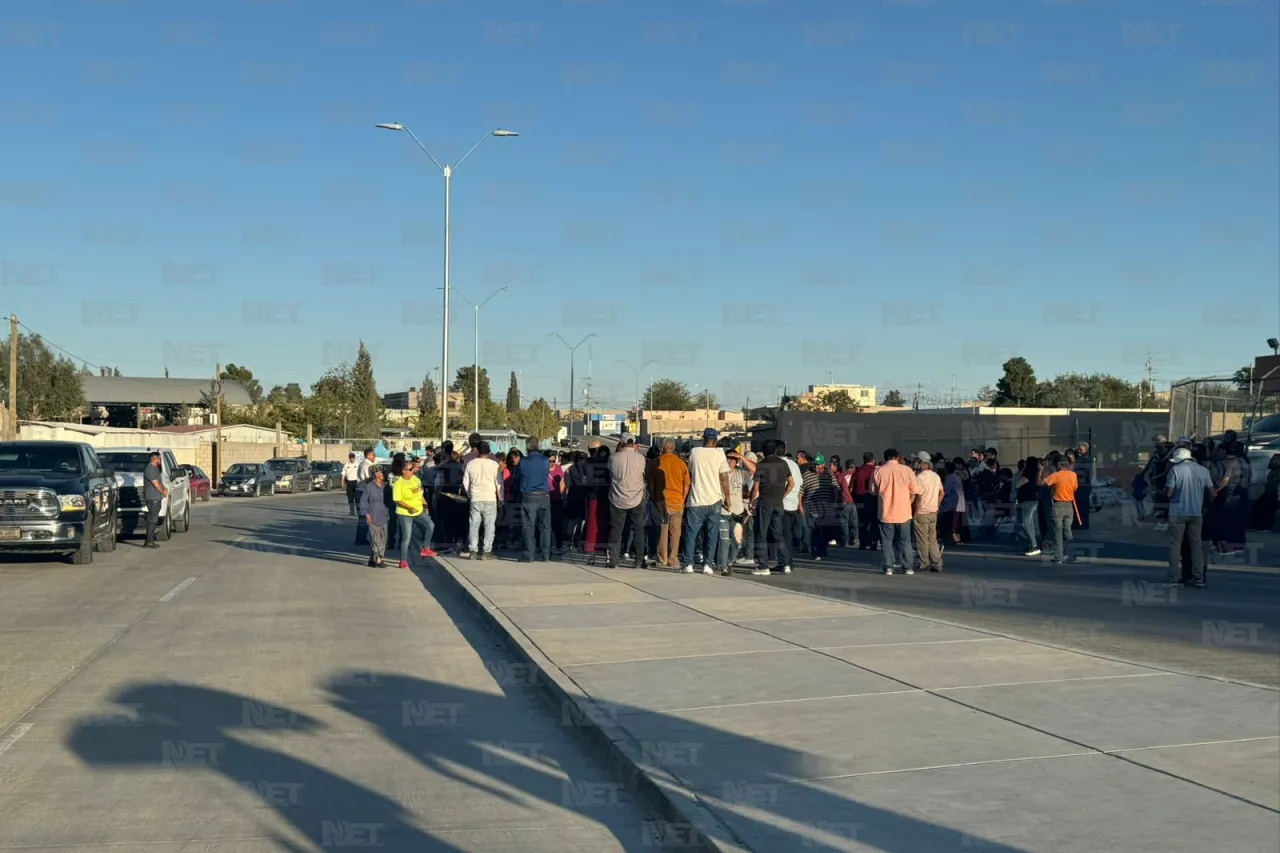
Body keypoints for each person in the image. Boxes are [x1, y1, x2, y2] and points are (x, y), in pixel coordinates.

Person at [679, 428, 731, 575]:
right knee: (711, 534)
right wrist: (727, 497)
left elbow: (690, 473)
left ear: (703, 438)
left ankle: (688, 564)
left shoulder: (694, 452)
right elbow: (724, 478)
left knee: (691, 533)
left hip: (696, 499)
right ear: (715, 440)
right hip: (714, 499)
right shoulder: (720, 454)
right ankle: (707, 565)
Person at [1164, 447, 1213, 588]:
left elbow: (1169, 492)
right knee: (1196, 545)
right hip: (1196, 513)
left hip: (1178, 512)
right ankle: (1198, 577)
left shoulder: (1175, 470)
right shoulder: (1203, 470)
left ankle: (1174, 577)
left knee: (1175, 545)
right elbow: (1211, 491)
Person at [750, 439, 794, 575]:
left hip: (765, 502)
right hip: (778, 503)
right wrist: (782, 495)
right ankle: (785, 563)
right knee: (778, 534)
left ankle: (763, 566)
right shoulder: (783, 463)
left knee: (761, 534)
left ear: (764, 452)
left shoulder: (761, 465)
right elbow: (791, 483)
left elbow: (756, 487)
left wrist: (752, 502)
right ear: (775, 450)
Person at [872, 448, 919, 575]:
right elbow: (915, 490)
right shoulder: (907, 470)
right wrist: (908, 502)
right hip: (904, 512)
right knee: (905, 541)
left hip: (885, 512)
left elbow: (872, 491)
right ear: (897, 457)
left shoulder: (878, 471)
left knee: (887, 541)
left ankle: (889, 567)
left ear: (885, 457)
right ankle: (908, 566)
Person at [607, 435, 648, 569]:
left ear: (622, 442)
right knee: (638, 529)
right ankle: (639, 559)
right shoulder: (641, 458)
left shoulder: (613, 457)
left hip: (617, 497)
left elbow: (610, 474)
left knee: (616, 529)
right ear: (634, 443)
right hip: (636, 497)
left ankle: (613, 559)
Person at [651, 439, 690, 568]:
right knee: (676, 532)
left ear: (662, 448)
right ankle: (673, 559)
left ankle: (662, 559)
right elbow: (686, 485)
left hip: (662, 502)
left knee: (663, 530)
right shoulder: (681, 463)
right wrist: (683, 500)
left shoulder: (657, 462)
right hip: (677, 502)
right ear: (673, 448)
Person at [462, 440, 502, 560]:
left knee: (474, 525)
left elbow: (465, 481)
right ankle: (486, 551)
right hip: (490, 498)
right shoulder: (494, 465)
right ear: (489, 452)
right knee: (489, 526)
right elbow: (499, 483)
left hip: (475, 497)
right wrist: (501, 497)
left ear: (477, 451)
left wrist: (470, 494)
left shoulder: (471, 464)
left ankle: (473, 550)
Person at [392, 458, 435, 569]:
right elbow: (397, 499)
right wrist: (409, 507)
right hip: (405, 513)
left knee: (430, 525)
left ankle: (426, 548)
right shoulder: (398, 483)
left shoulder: (416, 480)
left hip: (418, 511)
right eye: (410, 469)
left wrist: (425, 505)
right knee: (407, 537)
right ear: (403, 471)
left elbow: (420, 494)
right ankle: (403, 561)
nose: (413, 470)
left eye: (413, 468)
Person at [517, 438, 553, 562]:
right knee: (545, 526)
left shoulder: (523, 462)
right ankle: (546, 554)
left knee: (528, 526)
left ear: (527, 447)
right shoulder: (545, 461)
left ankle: (529, 555)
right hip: (544, 495)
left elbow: (517, 476)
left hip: (529, 495)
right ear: (538, 445)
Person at [1039, 456, 1078, 563]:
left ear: (1059, 465)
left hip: (1058, 505)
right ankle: (1072, 556)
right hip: (1069, 506)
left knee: (1057, 532)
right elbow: (1075, 488)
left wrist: (1040, 471)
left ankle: (1059, 557)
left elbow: (1041, 483)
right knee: (1068, 531)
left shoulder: (1056, 475)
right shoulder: (1073, 475)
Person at [800, 453, 839, 561]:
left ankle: (822, 548)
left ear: (823, 464)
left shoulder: (829, 474)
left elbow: (835, 488)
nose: (816, 467)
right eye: (815, 464)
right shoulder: (807, 474)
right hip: (811, 507)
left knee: (825, 530)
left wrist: (835, 503)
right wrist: (800, 506)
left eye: (818, 465)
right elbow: (801, 492)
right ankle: (815, 551)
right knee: (813, 530)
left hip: (826, 507)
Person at [912, 451, 944, 572]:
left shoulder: (919, 477)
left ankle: (924, 563)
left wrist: (916, 511)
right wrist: (937, 504)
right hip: (933, 511)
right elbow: (942, 492)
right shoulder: (936, 476)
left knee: (922, 539)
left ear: (921, 463)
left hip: (922, 511)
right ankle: (937, 563)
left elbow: (918, 495)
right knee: (932, 539)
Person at [359, 467, 390, 567]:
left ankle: (372, 559)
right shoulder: (369, 487)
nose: (384, 475)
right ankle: (378, 559)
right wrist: (366, 514)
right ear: (376, 474)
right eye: (382, 473)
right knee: (375, 539)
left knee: (383, 539)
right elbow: (363, 502)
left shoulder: (386, 486)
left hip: (383, 516)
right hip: (372, 516)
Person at [1015, 456, 1042, 556]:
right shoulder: (1035, 473)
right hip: (1032, 501)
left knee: (1025, 524)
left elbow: (1017, 484)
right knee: (1029, 524)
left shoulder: (1028, 473)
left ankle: (1034, 545)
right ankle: (1032, 544)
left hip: (1028, 501)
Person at [852, 452, 879, 550]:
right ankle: (873, 543)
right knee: (873, 522)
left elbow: (852, 486)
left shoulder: (858, 471)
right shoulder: (875, 471)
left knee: (862, 522)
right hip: (872, 499)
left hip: (859, 499)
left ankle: (863, 543)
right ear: (873, 460)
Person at [142, 450, 167, 549]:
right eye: (159, 459)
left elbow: (159, 482)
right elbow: (156, 484)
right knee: (152, 519)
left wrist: (164, 489)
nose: (160, 461)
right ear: (155, 459)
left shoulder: (155, 469)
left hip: (156, 497)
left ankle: (150, 540)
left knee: (154, 518)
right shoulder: (150, 469)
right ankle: (149, 541)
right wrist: (163, 491)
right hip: (153, 498)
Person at [939, 460, 963, 547]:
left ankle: (953, 538)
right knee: (955, 521)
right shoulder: (956, 477)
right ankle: (956, 538)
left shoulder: (949, 478)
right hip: (957, 502)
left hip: (951, 504)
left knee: (950, 521)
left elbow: (946, 491)